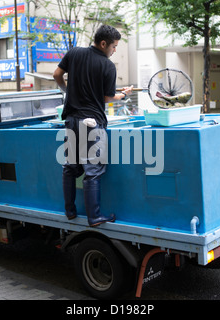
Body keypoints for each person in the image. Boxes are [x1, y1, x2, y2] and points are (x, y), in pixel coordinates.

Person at [53, 24, 133, 227]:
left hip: (71, 120)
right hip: (91, 123)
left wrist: (67, 90)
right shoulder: (107, 66)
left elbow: (56, 75)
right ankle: (94, 217)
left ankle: (70, 211)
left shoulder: (75, 53)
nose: (114, 51)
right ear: (104, 43)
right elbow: (106, 97)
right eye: (114, 47)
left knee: (70, 168)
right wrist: (123, 95)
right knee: (93, 171)